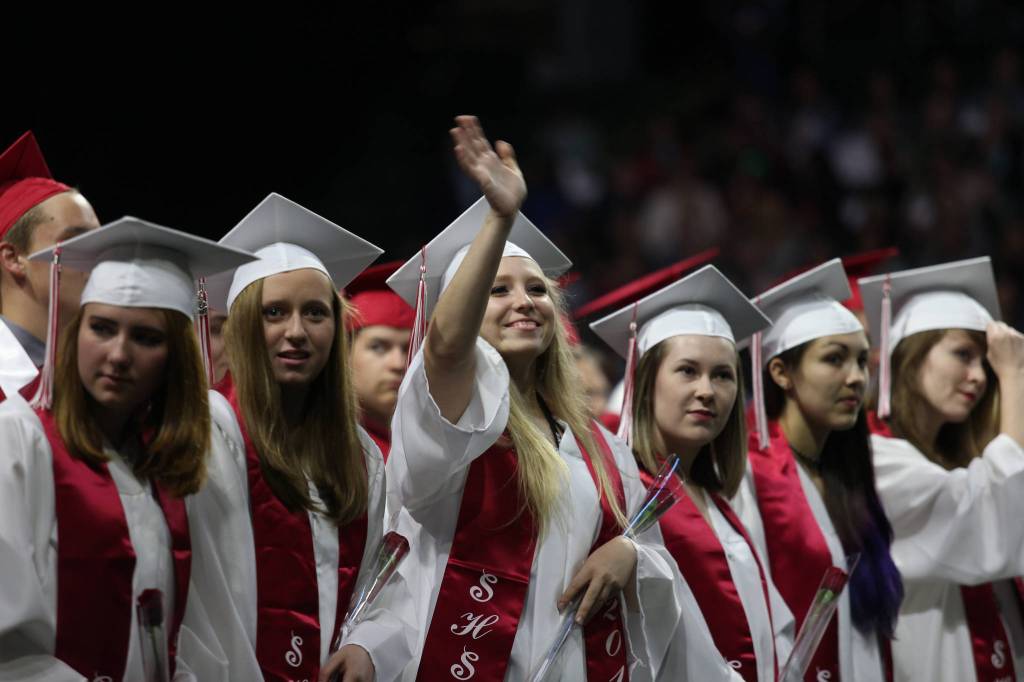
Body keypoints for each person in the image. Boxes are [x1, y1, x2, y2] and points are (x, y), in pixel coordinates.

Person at [384, 115, 738, 681]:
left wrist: (630, 555)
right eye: (498, 290)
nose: (524, 301)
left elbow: (649, 554)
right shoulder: (459, 420)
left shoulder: (599, 447)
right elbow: (447, 347)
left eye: (535, 290)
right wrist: (501, 218)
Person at [0, 217, 253, 680]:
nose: (118, 354)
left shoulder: (163, 466)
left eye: (145, 338)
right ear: (76, 332)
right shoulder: (18, 439)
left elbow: (187, 635)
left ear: (173, 358)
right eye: (102, 328)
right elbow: (8, 646)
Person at [184, 192, 411, 682]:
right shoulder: (211, 431)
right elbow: (196, 595)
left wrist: (366, 646)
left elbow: (381, 588)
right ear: (243, 326)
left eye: (315, 312)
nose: (297, 331)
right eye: (273, 313)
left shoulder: (362, 455)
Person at [590, 263, 793, 682]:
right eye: (687, 370)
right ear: (645, 381)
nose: (707, 390)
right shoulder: (619, 492)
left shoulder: (718, 499)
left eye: (723, 375)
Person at [734, 258, 903, 682]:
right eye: (834, 359)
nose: (855, 377)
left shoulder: (848, 475)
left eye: (862, 361)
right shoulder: (752, 474)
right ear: (780, 372)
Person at [859, 256, 1024, 682]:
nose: (980, 377)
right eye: (962, 355)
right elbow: (996, 515)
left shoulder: (958, 459)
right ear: (910, 358)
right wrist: (1015, 375)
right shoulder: (876, 460)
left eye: (985, 363)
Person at [0, 131, 100, 396]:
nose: (100, 259)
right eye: (77, 242)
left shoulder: (103, 384)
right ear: (13, 259)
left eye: (100, 243)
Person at [345, 260, 414, 458]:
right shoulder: (331, 447)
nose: (399, 364)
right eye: (378, 347)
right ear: (344, 355)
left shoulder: (426, 447)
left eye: (409, 349)